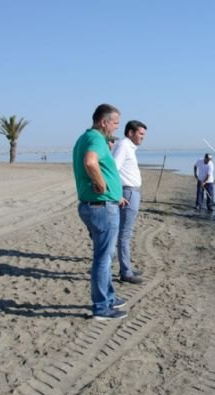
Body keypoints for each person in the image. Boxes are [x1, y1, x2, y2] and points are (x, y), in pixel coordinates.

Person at [72, 103, 127, 320]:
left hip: (98, 205)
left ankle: (109, 297)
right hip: (100, 208)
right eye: (115, 123)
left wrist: (114, 192)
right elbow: (90, 162)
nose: (116, 128)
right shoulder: (95, 138)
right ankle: (102, 307)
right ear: (104, 121)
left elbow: (97, 164)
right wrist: (103, 186)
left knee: (105, 256)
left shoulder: (87, 138)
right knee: (103, 258)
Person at [112, 120, 147, 284]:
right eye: (140, 134)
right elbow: (113, 169)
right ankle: (125, 272)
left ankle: (125, 267)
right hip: (127, 192)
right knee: (124, 234)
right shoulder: (124, 145)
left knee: (123, 234)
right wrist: (118, 194)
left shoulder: (129, 147)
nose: (142, 137)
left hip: (131, 192)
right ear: (130, 132)